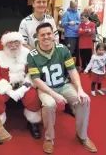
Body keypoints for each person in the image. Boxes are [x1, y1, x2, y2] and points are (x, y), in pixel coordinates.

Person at [27, 22, 97, 154]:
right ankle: (49, 138)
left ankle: (82, 135)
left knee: (84, 100)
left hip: (63, 84)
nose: (46, 37)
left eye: (49, 34)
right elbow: (36, 79)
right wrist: (53, 94)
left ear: (53, 35)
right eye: (43, 35)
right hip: (46, 88)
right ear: (37, 36)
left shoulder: (62, 49)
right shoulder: (32, 55)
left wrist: (80, 89)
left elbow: (72, 70)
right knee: (49, 104)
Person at [0, 31, 41, 142]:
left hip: (24, 85)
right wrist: (8, 90)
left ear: (20, 43)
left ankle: (33, 122)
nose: (13, 45)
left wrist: (24, 88)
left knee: (33, 95)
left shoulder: (27, 53)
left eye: (16, 42)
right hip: (5, 87)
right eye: (10, 43)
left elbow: (32, 73)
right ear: (5, 44)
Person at [62, 0, 81, 65]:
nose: (75, 8)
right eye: (73, 7)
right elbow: (63, 24)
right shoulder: (66, 13)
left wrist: (76, 22)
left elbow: (82, 21)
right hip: (69, 35)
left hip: (78, 34)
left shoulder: (79, 13)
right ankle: (68, 67)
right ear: (70, 6)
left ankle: (76, 66)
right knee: (70, 52)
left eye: (76, 6)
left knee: (77, 52)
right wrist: (69, 23)